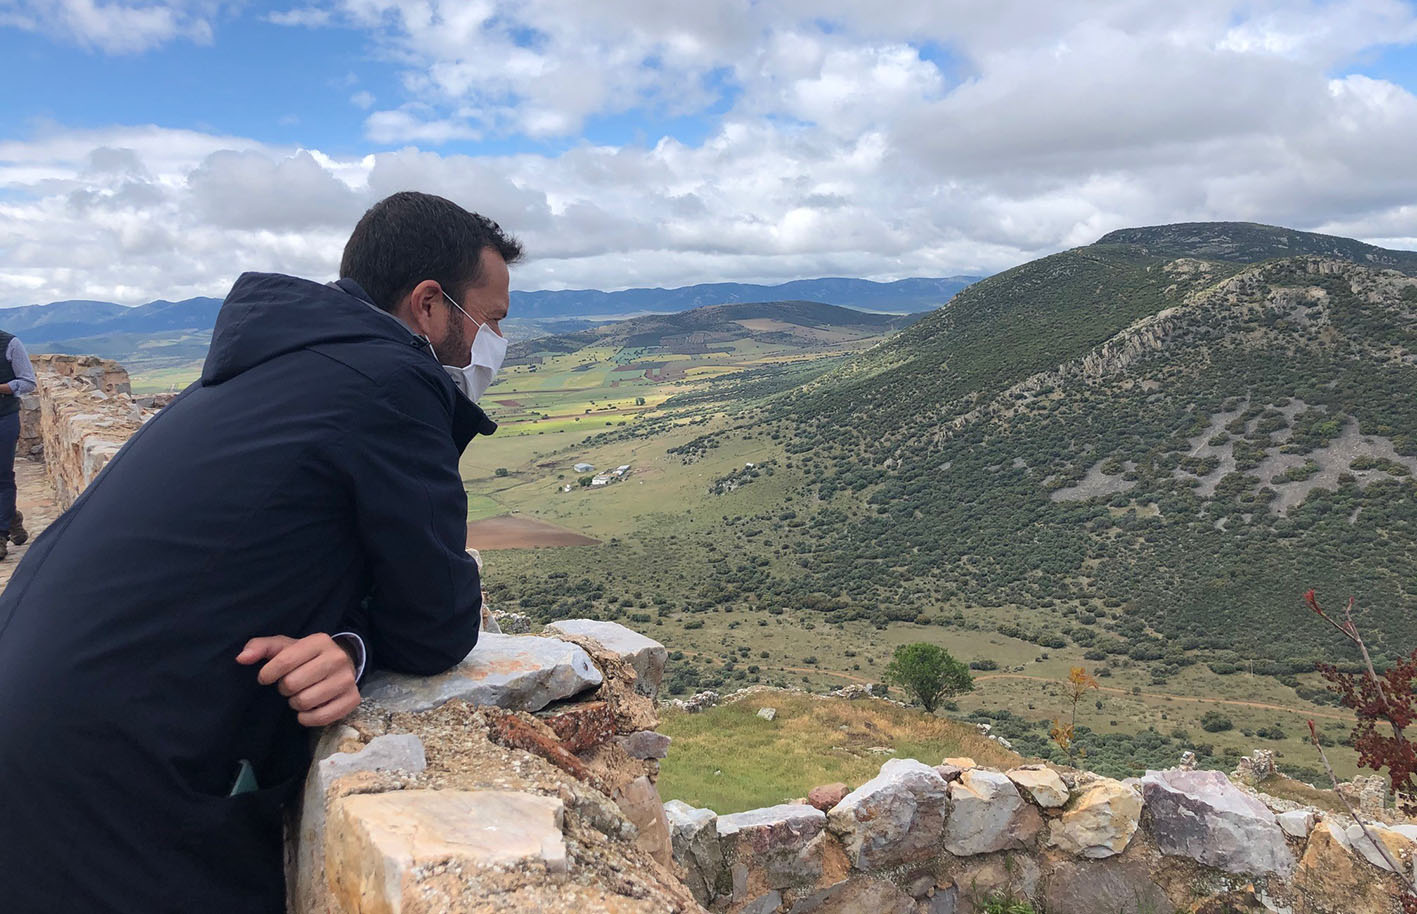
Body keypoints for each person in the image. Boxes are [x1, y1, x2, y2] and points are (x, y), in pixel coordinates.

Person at [0, 191, 520, 913]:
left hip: (46, 700)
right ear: (429, 306)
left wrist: (348, 643)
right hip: (109, 765)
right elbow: (438, 618)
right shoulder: (393, 382)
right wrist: (363, 641)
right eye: (489, 320)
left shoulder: (280, 359)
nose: (491, 343)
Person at [0, 328, 36, 558]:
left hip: (4, 417)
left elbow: (28, 382)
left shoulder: (10, 343)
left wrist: (3, 388)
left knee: (2, 475)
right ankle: (11, 517)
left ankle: (1, 535)